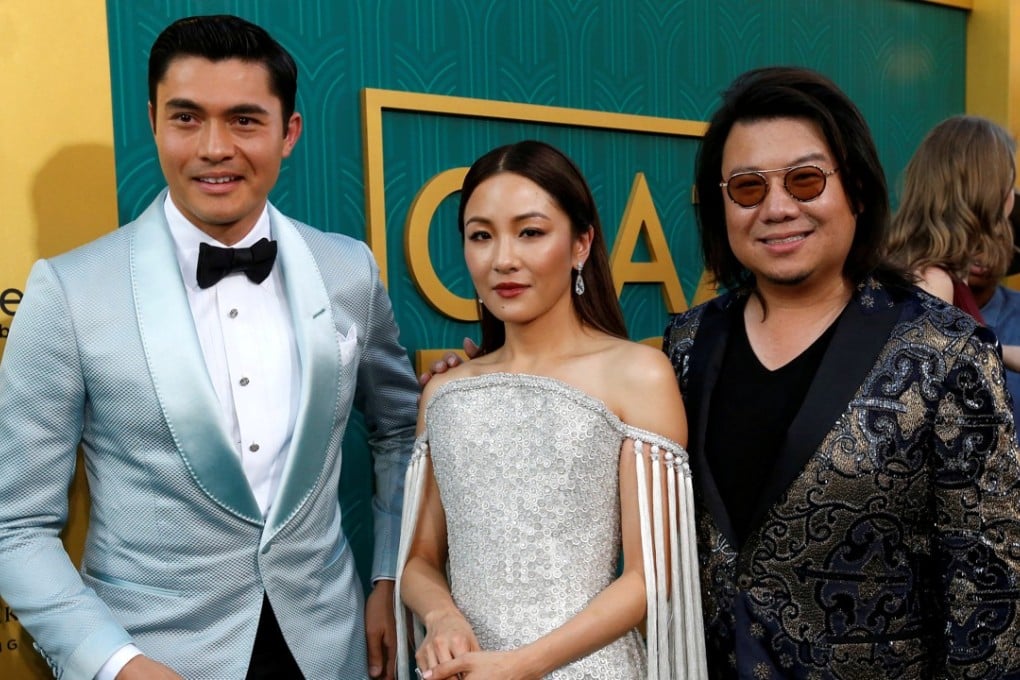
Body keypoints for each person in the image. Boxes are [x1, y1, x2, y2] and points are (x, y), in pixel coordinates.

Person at [0, 14, 419, 680]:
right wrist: (115, 663)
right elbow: (14, 526)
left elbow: (400, 433)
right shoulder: (69, 292)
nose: (214, 147)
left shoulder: (349, 270)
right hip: (155, 655)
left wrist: (390, 576)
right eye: (187, 118)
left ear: (290, 134)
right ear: (154, 121)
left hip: (328, 647)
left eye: (245, 121)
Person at [663, 66, 1020, 678]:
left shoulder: (944, 349)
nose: (777, 208)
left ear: (854, 187)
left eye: (805, 180)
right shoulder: (688, 343)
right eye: (747, 188)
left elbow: (989, 587)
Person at [396, 140, 706, 679]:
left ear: (581, 243)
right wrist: (441, 615)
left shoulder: (637, 374)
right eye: (481, 236)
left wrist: (521, 666)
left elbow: (651, 577)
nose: (503, 259)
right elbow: (419, 560)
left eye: (531, 232)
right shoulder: (444, 393)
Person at [882, 115, 1017, 325]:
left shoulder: (935, 271)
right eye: (1008, 184)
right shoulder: (933, 281)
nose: (1012, 195)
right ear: (988, 194)